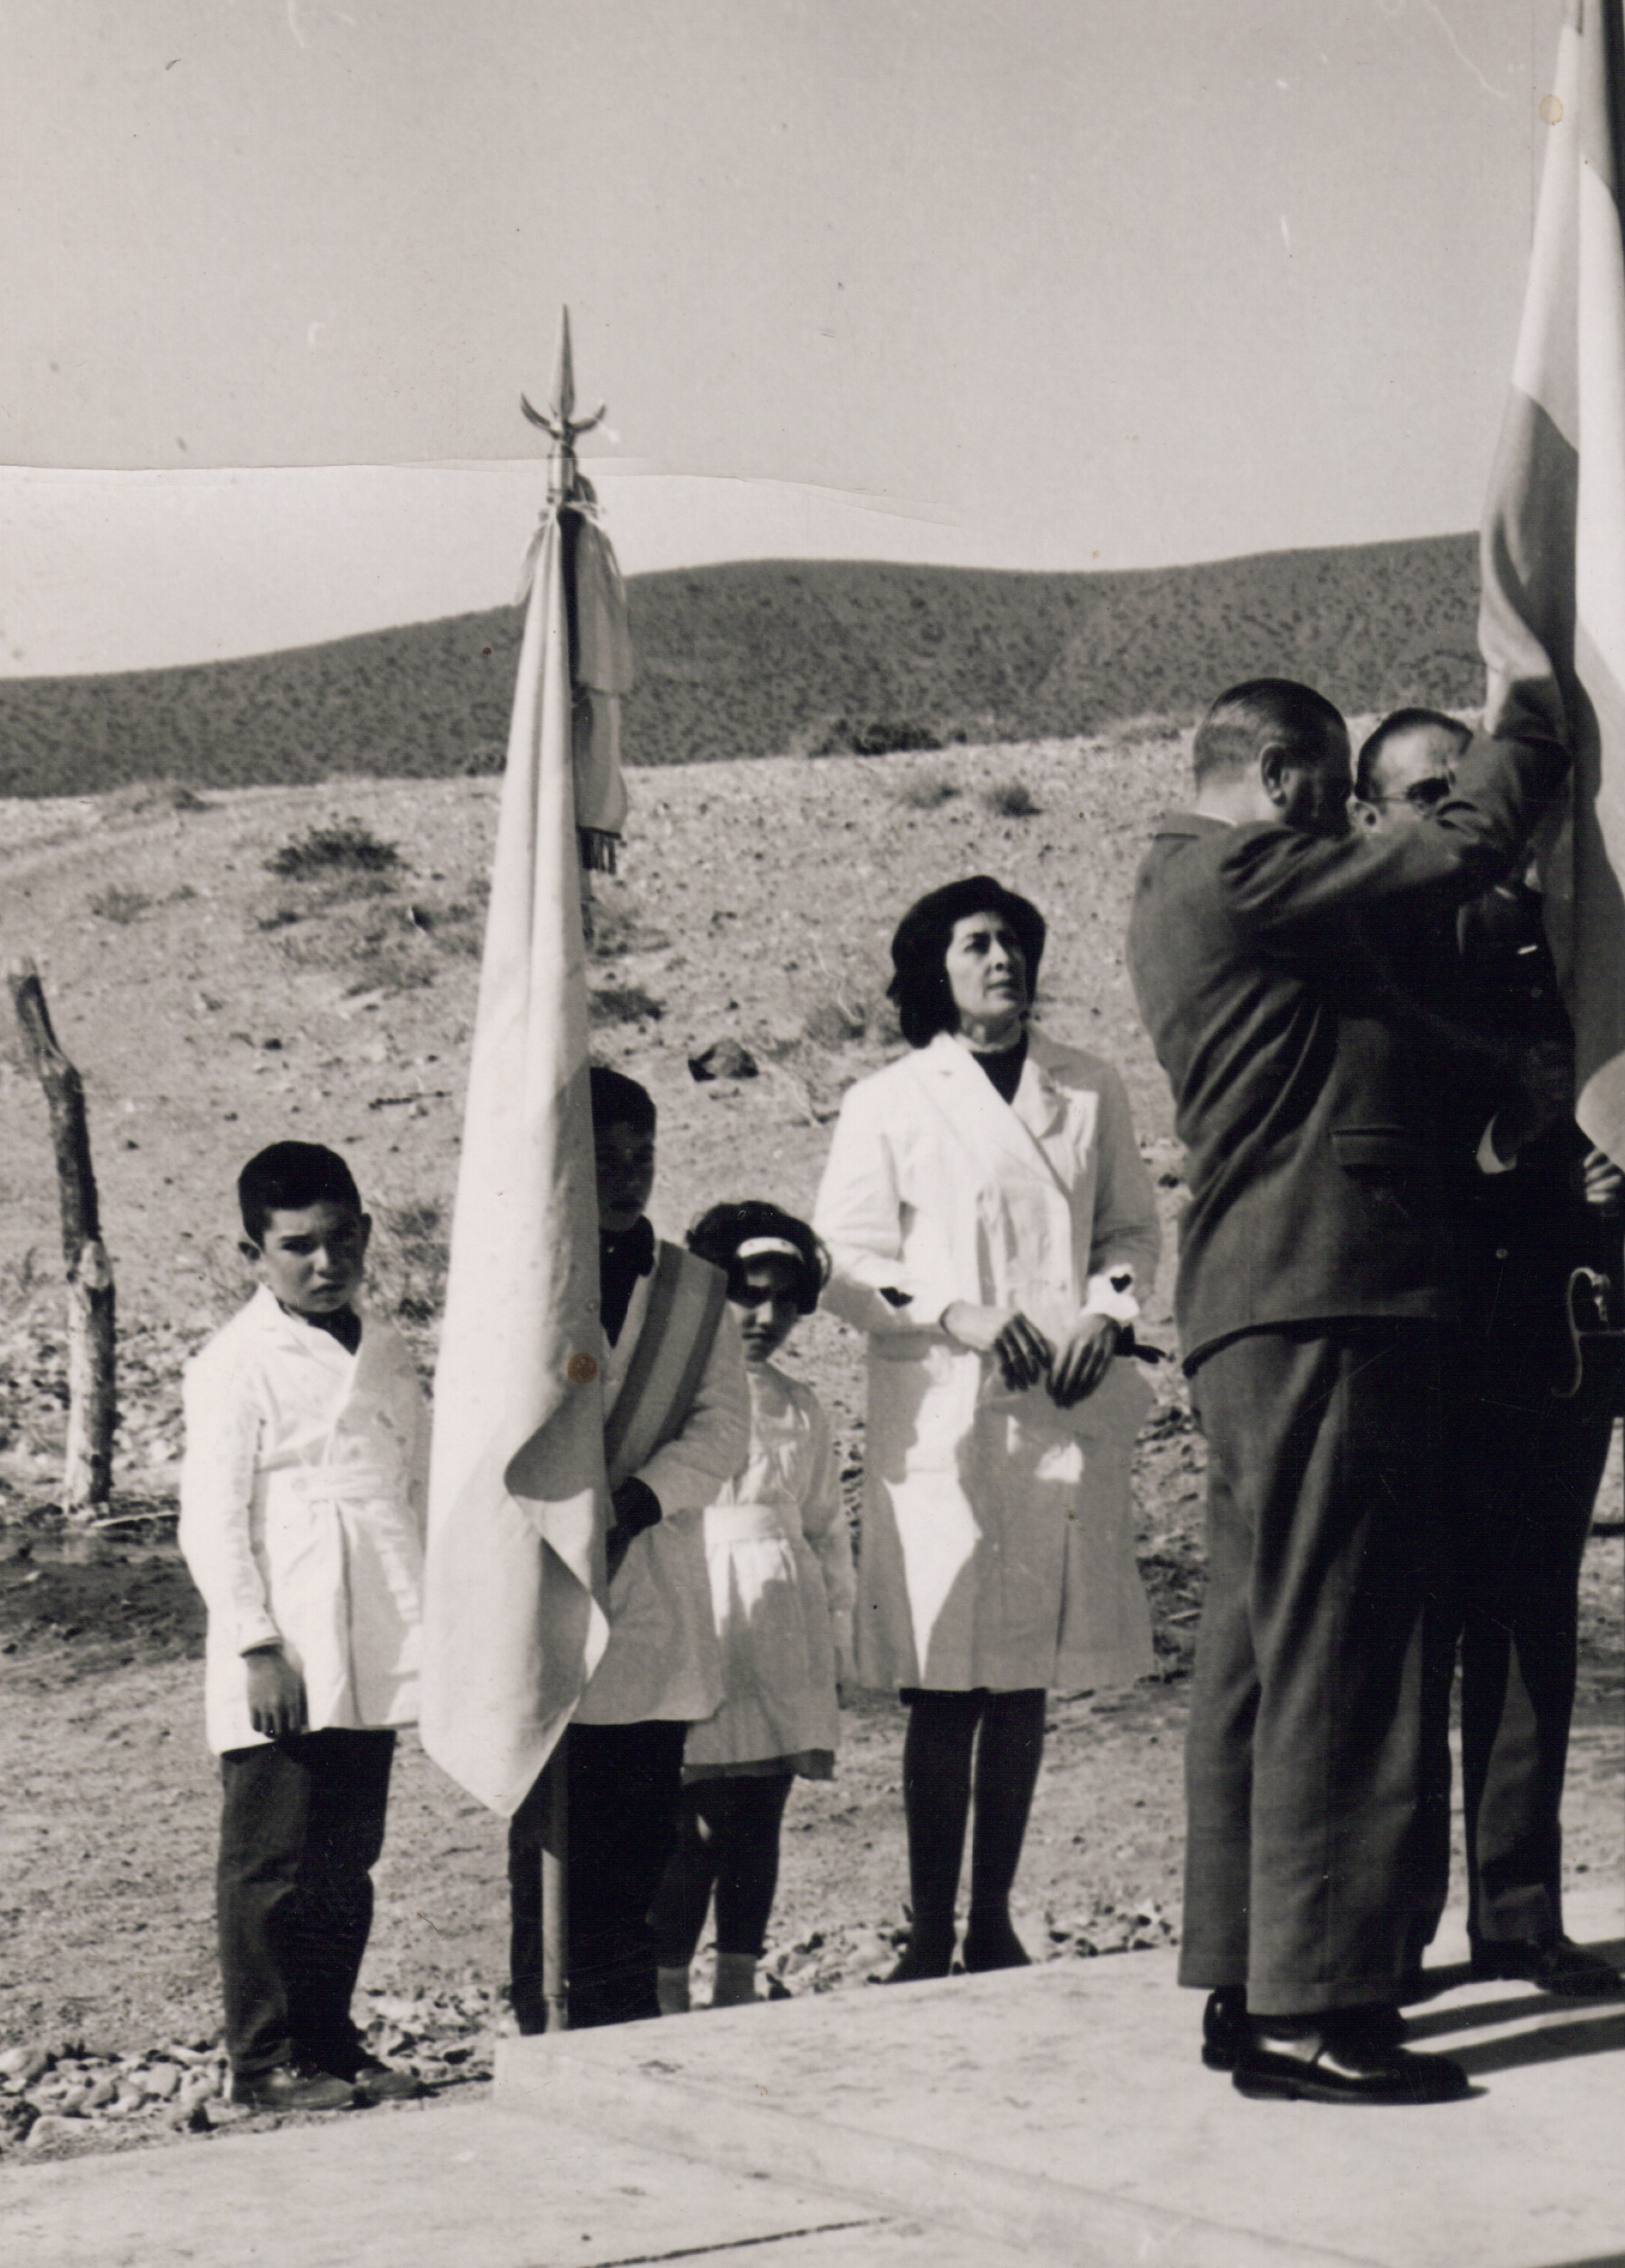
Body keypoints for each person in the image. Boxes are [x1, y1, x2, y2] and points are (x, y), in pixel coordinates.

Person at [1128, 676, 1564, 2106]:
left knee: (1266, 1656)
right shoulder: (1237, 863)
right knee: (1348, 1649)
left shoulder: (1220, 893)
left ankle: (1256, 1977)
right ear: (1275, 772)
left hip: (1278, 1300)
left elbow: (1391, 1028)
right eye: (1327, 789)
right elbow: (1445, 854)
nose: (1341, 817)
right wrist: (1537, 725)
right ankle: (1324, 1998)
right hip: (1328, 1293)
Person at [819, 877, 1161, 1985]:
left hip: (1055, 1408)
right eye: (975, 943)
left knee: (1022, 1675)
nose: (1001, 957)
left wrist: (1107, 1313)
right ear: (935, 967)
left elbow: (1125, 1229)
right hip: (943, 1414)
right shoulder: (889, 1100)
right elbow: (846, 1259)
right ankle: (927, 1926)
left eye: (1014, 939)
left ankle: (994, 1916)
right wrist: (954, 1311)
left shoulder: (1089, 1085)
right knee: (943, 1674)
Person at [1358, 708, 1625, 1999]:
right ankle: (1396, 1921)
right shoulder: (1367, 950)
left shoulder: (1558, 944)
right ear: (1372, 818)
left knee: (1528, 1631)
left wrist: (1608, 1156)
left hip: (1548, 1339)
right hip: (1419, 1340)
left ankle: (1518, 1911)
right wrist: (1517, 1141)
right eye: (1422, 794)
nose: (1452, 816)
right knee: (1412, 1636)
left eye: (1462, 790)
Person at [178, 1140, 433, 2113]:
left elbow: (414, 1475)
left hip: (373, 1621)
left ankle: (330, 2033)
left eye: (339, 1241)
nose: (323, 1265)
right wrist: (257, 1641)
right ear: (254, 1252)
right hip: (286, 1633)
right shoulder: (233, 1363)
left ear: (365, 1234)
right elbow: (211, 1518)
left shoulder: (385, 1347)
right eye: (295, 1247)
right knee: (270, 1858)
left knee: (344, 1855)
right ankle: (263, 2057)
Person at [510, 1066, 756, 2033]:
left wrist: (641, 1498)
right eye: (603, 1159)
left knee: (639, 1822)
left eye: (640, 1157)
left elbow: (721, 1423)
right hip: (544, 1583)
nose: (626, 1176)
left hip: (645, 1578)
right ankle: (542, 2007)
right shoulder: (526, 1278)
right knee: (550, 1822)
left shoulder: (696, 1293)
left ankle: (617, 2010)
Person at [646, 1202, 854, 2016]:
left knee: (758, 1811)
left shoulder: (802, 1405)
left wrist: (837, 1636)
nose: (763, 1316)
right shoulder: (676, 1393)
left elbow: (826, 1527)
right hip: (700, 1608)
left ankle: (737, 1977)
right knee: (688, 1815)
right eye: (742, 1294)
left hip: (780, 1618)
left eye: (783, 1299)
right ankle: (664, 1987)